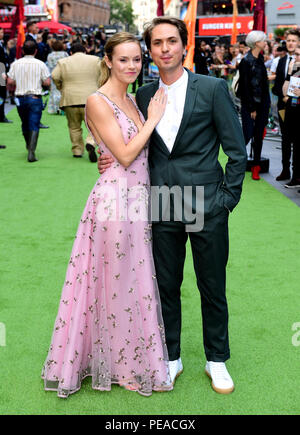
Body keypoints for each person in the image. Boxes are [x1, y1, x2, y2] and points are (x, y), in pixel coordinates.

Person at [99, 17, 247, 394]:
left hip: (206, 205)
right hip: (159, 204)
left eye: (171, 41)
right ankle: (171, 356)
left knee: (212, 285)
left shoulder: (213, 88)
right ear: (150, 50)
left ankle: (217, 360)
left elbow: (236, 150)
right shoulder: (144, 95)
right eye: (157, 43)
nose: (165, 48)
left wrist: (226, 200)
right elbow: (129, 141)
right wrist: (107, 159)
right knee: (165, 284)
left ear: (185, 45)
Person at [41, 32, 172, 398]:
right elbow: (127, 155)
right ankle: (119, 367)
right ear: (109, 61)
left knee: (130, 278)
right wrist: (154, 119)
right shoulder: (97, 101)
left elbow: (120, 153)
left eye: (136, 60)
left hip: (137, 197)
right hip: (115, 201)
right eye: (124, 60)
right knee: (116, 281)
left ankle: (121, 360)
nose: (131, 66)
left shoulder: (131, 98)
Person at [51, 42, 100, 162]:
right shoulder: (95, 60)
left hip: (70, 99)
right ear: (85, 51)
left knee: (74, 127)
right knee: (95, 126)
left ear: (71, 52)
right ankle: (91, 142)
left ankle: (77, 150)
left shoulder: (63, 62)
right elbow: (104, 74)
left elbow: (54, 75)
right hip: (91, 98)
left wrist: (61, 87)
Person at [6, 40, 51, 162]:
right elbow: (47, 82)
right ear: (35, 51)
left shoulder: (16, 64)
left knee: (24, 123)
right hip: (35, 97)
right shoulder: (40, 64)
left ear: (23, 51)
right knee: (34, 124)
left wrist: (18, 82)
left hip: (20, 98)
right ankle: (31, 151)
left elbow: (9, 82)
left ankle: (28, 145)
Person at [238, 31, 271, 181]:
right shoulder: (246, 61)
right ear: (257, 43)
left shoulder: (260, 59)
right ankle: (237, 164)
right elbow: (245, 87)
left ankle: (256, 166)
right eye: (264, 41)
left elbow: (262, 83)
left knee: (259, 136)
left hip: (263, 104)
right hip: (250, 105)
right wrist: (252, 108)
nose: (266, 43)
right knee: (246, 135)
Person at [272, 30, 300, 181]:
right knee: (285, 139)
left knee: (296, 140)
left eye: (293, 40)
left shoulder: (299, 61)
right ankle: (285, 170)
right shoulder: (281, 61)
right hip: (284, 106)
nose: (290, 43)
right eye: (288, 40)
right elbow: (276, 85)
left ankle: (296, 173)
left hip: (297, 106)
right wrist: (283, 96)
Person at [282, 45, 300, 188]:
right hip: (292, 110)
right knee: (292, 142)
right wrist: (289, 73)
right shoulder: (295, 71)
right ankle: (295, 177)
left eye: (298, 55)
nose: (296, 58)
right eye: (295, 55)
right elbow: (285, 90)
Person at [46, 40, 68, 114]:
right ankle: (63, 108)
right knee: (63, 91)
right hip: (63, 75)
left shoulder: (50, 55)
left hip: (53, 74)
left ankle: (54, 109)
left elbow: (49, 66)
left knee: (54, 91)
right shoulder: (65, 54)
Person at [0, 27, 12, 123]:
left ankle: (1, 115)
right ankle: (1, 116)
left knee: (2, 95)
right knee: (1, 95)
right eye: (1, 32)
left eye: (3, 32)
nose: (2, 34)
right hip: (1, 72)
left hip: (3, 71)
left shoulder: (2, 44)